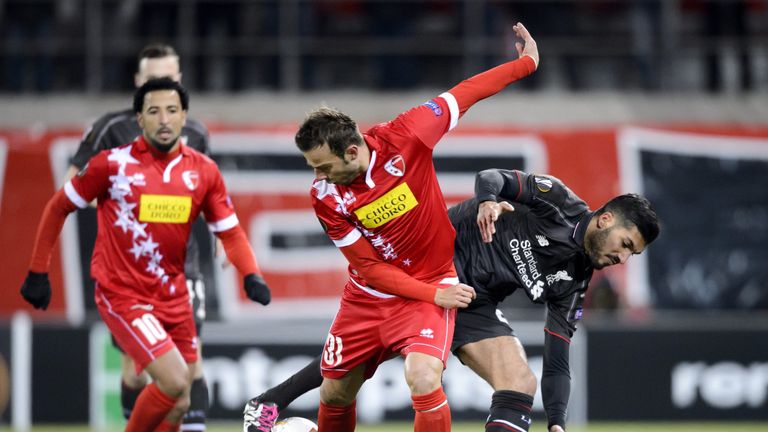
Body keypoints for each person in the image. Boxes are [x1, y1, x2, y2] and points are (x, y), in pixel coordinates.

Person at [243, 21, 540, 432]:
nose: (320, 177)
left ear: (352, 150)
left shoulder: (409, 136)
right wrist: (435, 293)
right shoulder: (325, 197)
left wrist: (525, 64)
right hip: (371, 295)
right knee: (334, 393)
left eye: (325, 167)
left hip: (428, 286)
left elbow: (464, 94)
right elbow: (369, 268)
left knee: (422, 377)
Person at [244, 168, 660, 432]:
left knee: (520, 382)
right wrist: (488, 202)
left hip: (471, 303)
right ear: (605, 220)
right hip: (431, 271)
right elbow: (493, 178)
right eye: (624, 244)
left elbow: (557, 359)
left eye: (632, 255)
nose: (621, 259)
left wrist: (557, 423)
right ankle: (267, 404)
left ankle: (269, 403)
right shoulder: (559, 202)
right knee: (348, 378)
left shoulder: (575, 279)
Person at [20, 78, 272, 431]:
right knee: (173, 381)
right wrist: (37, 271)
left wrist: (251, 275)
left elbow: (229, 230)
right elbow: (57, 206)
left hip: (174, 295)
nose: (164, 119)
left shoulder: (203, 171)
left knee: (181, 399)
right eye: (154, 111)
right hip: (123, 294)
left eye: (172, 111)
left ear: (185, 116)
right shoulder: (111, 165)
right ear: (139, 119)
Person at [65, 43, 218, 431]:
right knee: (136, 371)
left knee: (191, 361)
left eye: (169, 79)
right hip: (130, 275)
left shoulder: (195, 133)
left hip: (182, 271)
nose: (163, 87)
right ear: (138, 83)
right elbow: (71, 183)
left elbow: (208, 196)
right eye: (153, 80)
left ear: (180, 81)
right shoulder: (110, 129)